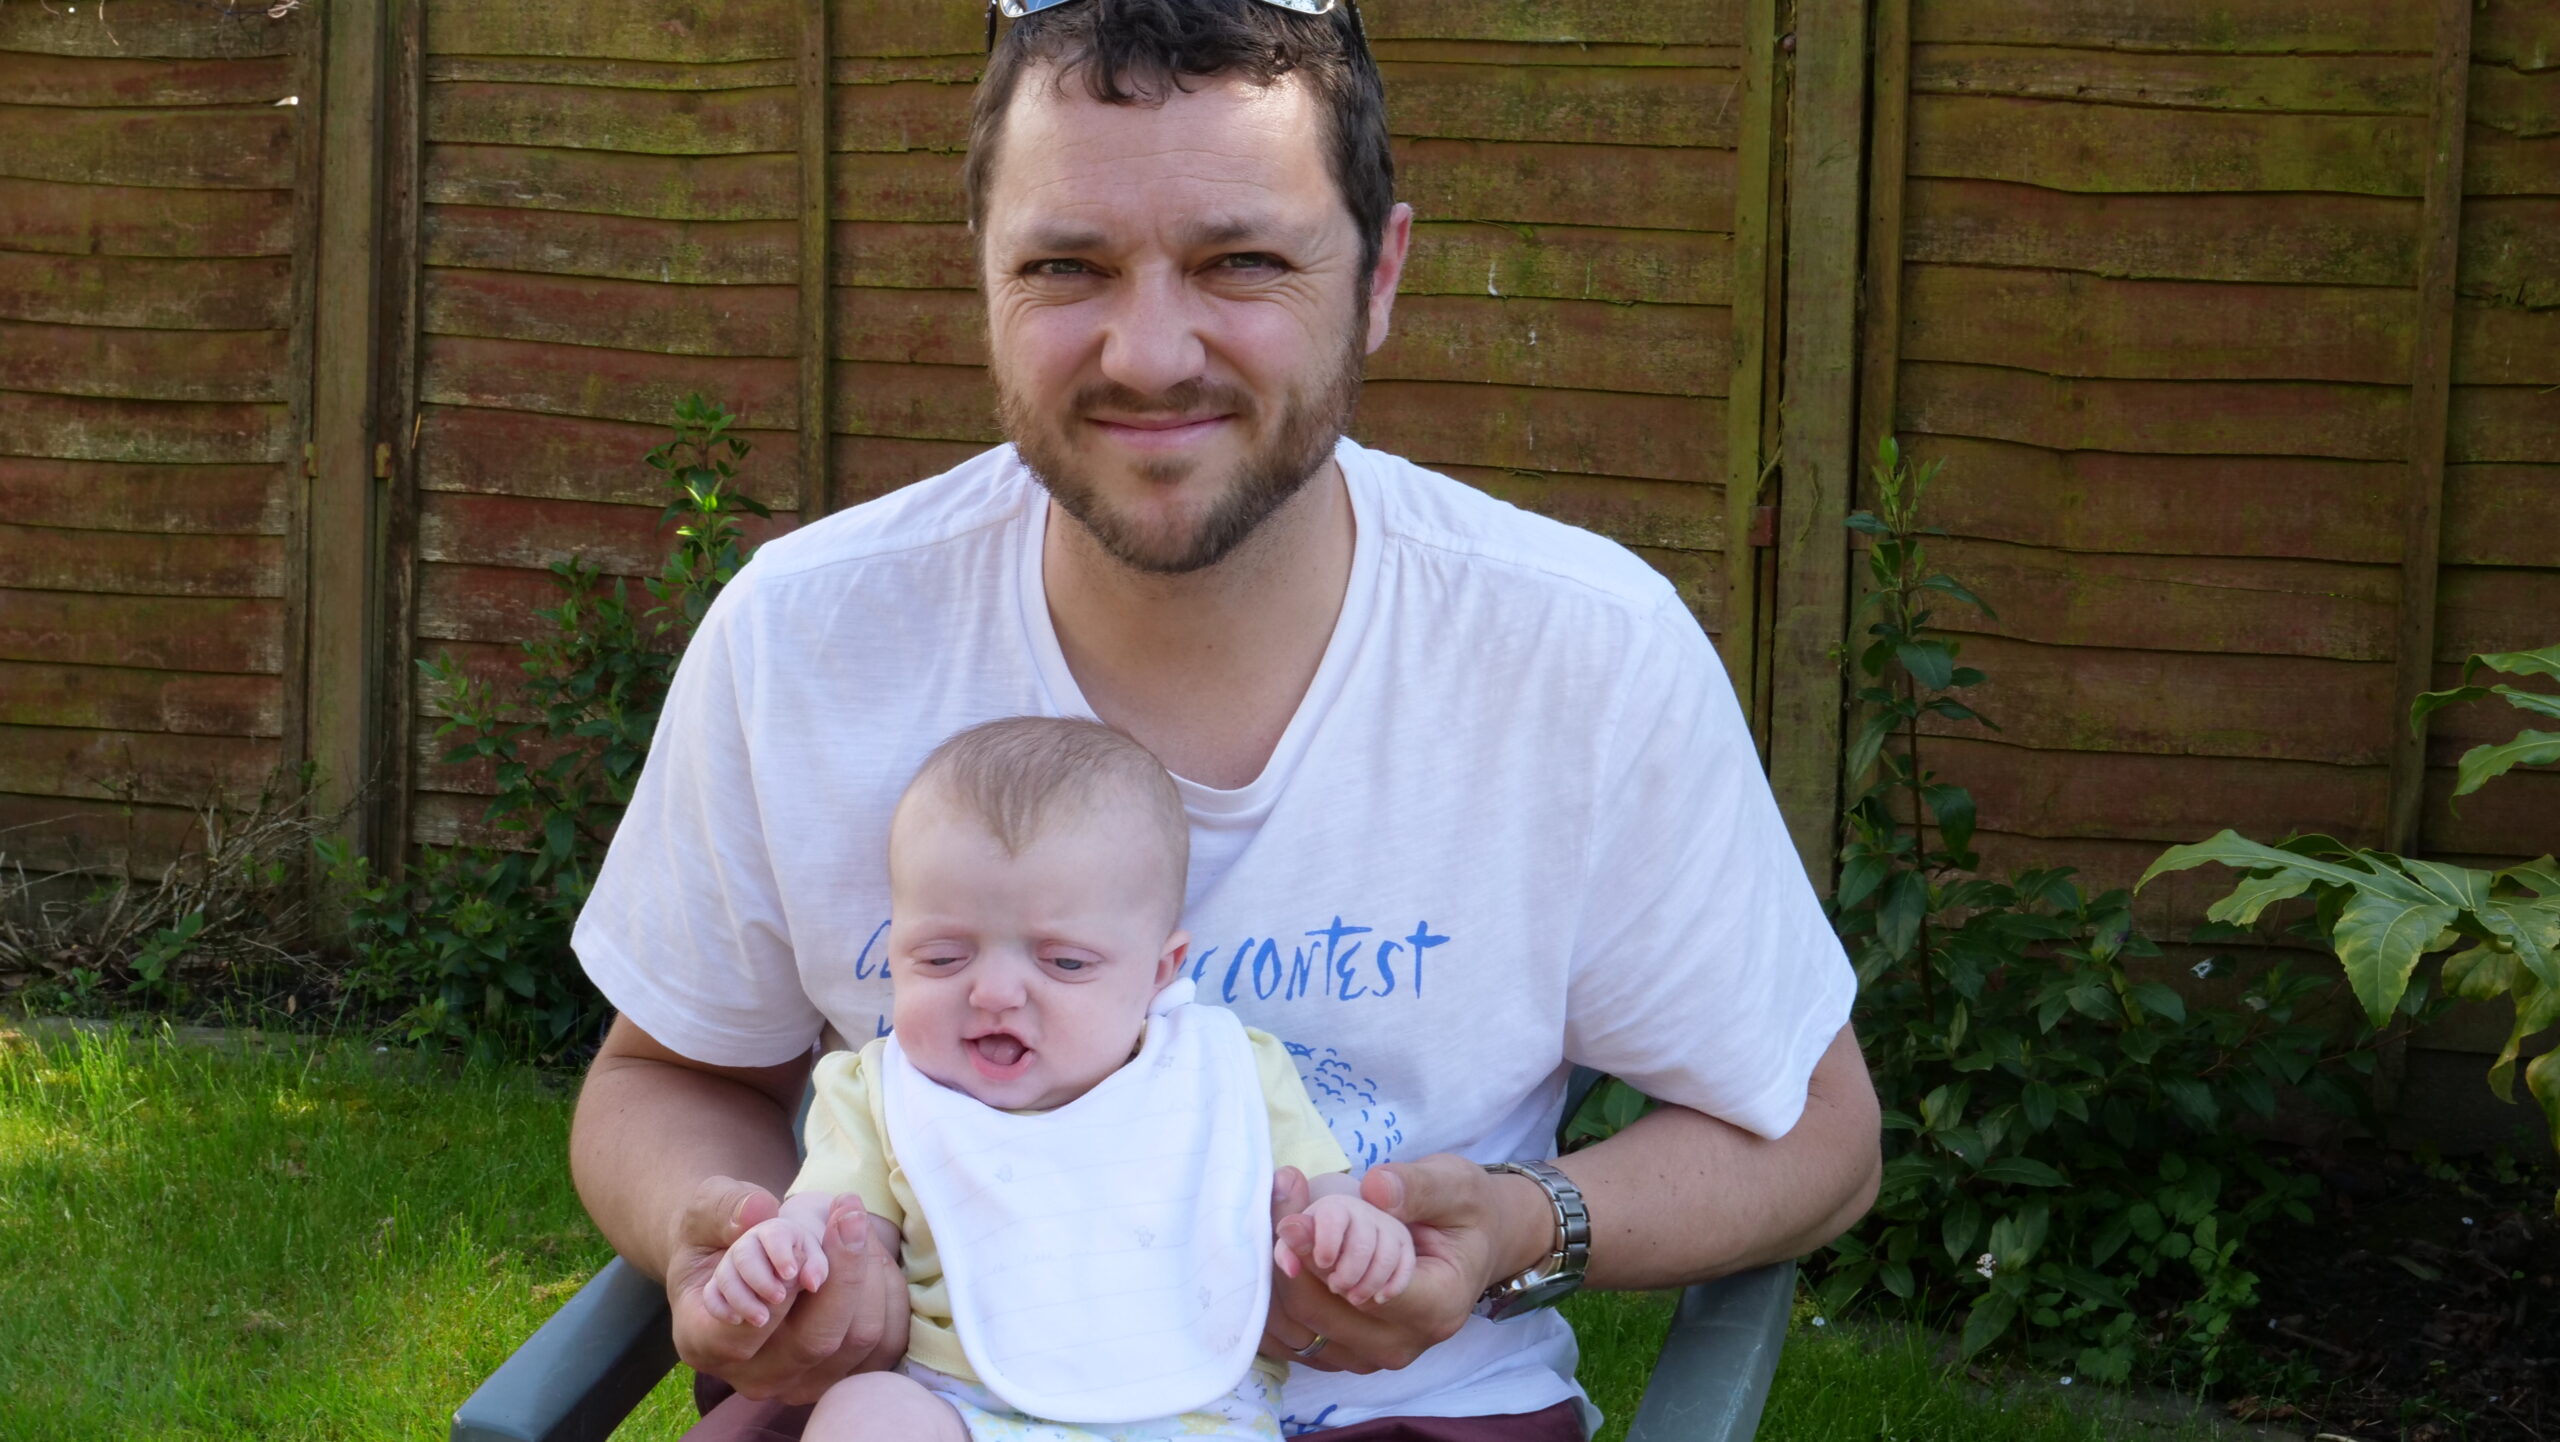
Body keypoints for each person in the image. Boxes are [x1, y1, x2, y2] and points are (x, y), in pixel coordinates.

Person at [568, 2, 1883, 1438]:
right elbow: (666, 1074)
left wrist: (1525, 1221)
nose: (1148, 353)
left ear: (1379, 276)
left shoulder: (1581, 653)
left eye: (1241, 261)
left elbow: (1818, 1130)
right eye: (1066, 265)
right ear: (982, 274)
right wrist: (729, 1231)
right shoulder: (805, 633)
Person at [699, 716, 1416, 1442]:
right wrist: (785, 1251)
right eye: (943, 958)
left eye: (1064, 962)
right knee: (867, 1412)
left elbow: (1322, 1197)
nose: (995, 992)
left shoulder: (1228, 1071)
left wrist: (1350, 1229)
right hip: (964, 1414)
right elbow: (831, 1227)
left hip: (1197, 1420)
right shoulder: (882, 1095)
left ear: (1159, 972)